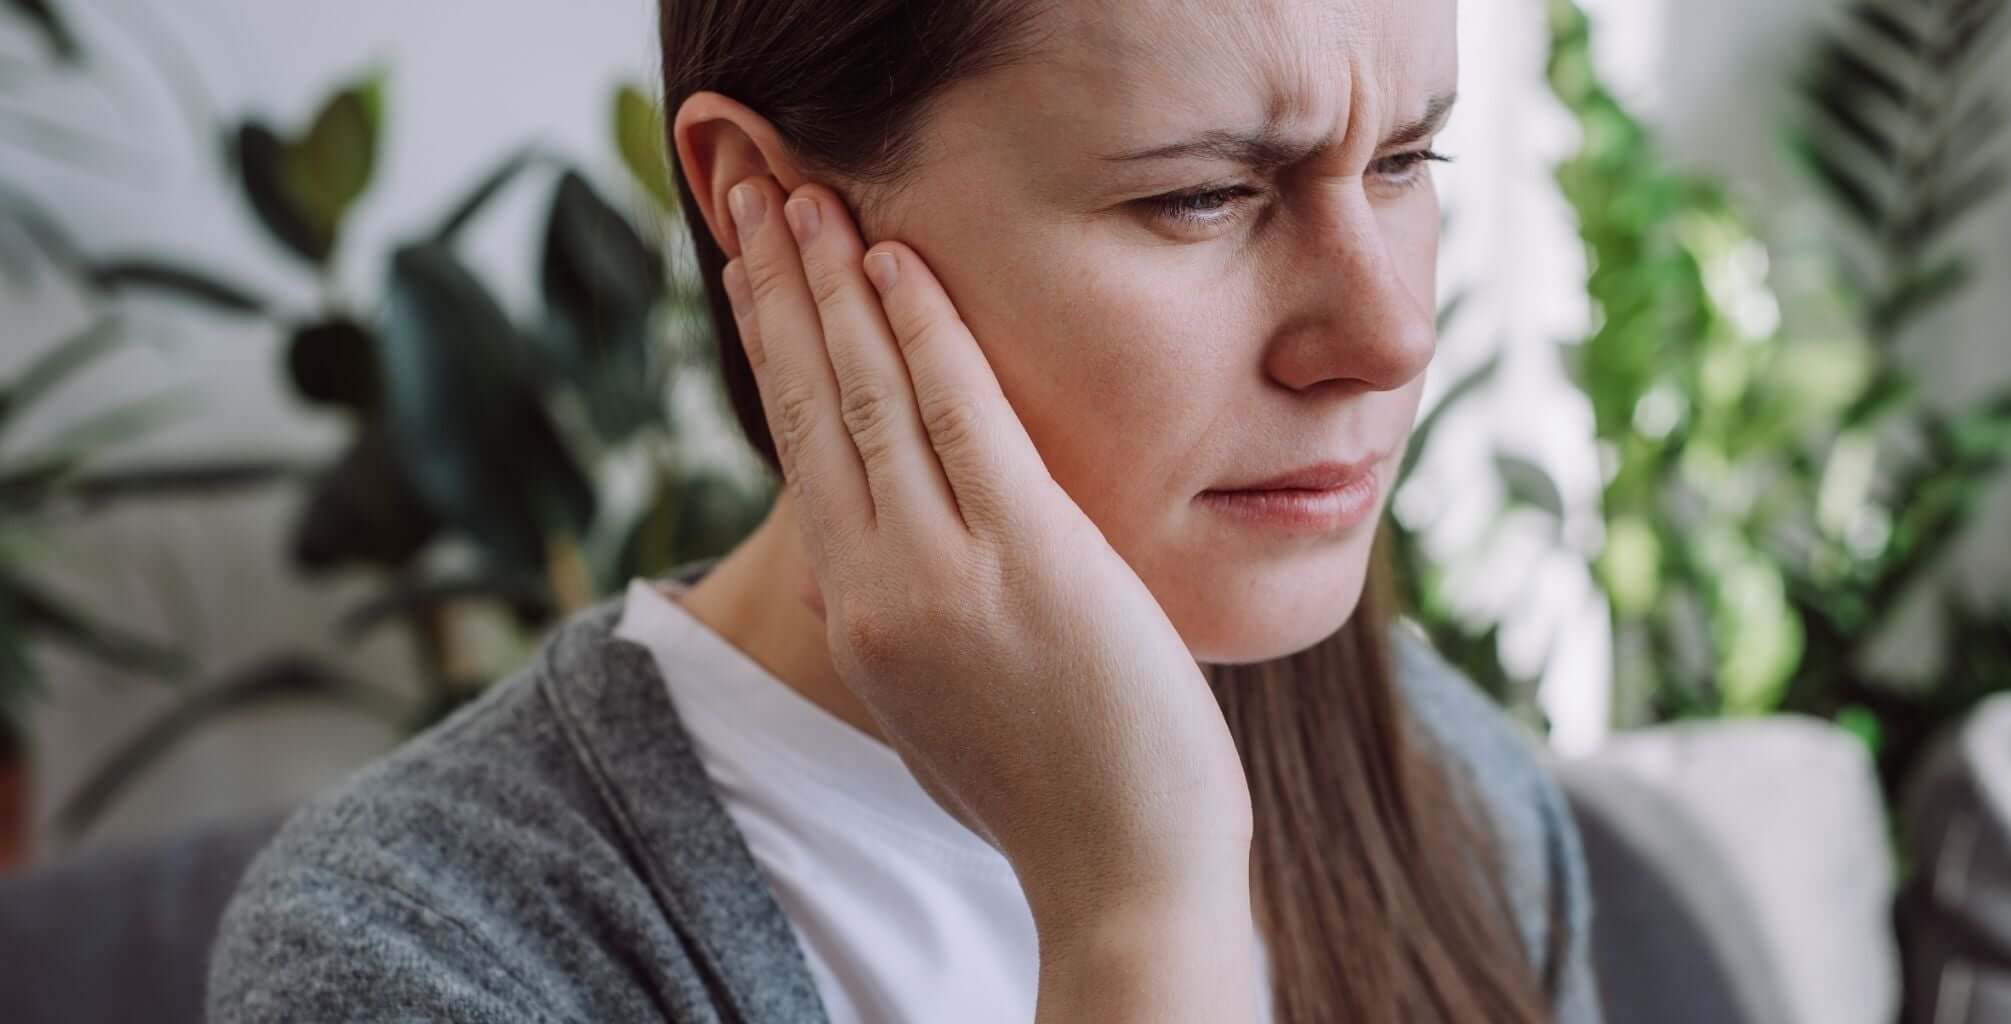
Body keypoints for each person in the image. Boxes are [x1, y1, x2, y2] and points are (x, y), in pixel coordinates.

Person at [208, 1, 1602, 1021]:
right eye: (1203, 194)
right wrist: (1137, 915)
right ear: (761, 207)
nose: (1390, 332)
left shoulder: (1454, 793)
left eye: (1408, 162)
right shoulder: (425, 952)